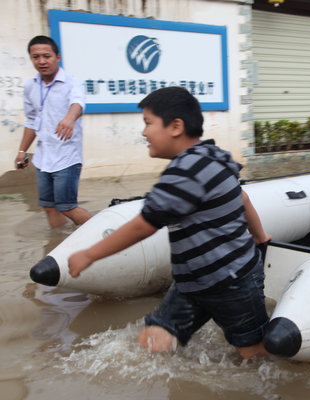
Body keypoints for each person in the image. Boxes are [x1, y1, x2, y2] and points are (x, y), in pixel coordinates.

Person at [68, 86, 269, 359]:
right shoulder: (213, 156)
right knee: (153, 339)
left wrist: (90, 254)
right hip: (193, 284)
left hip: (231, 283)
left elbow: (143, 226)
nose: (144, 132)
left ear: (175, 126)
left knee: (252, 351)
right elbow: (242, 198)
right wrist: (260, 237)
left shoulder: (185, 171)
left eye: (148, 123)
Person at [14, 35, 92, 228]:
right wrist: (22, 151)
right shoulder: (30, 86)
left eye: (46, 56)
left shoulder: (73, 83)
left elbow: (78, 103)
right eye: (36, 57)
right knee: (49, 206)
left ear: (57, 57)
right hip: (43, 157)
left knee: (67, 206)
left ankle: (104, 238)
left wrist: (69, 118)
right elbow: (32, 120)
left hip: (67, 157)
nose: (41, 61)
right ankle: (59, 245)